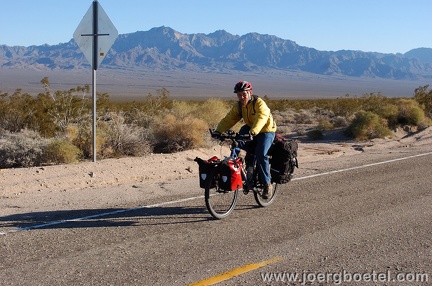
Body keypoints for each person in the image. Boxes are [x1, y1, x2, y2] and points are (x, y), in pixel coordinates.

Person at [213, 80, 277, 199]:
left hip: (266, 130)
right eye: (239, 94)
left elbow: (261, 118)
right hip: (250, 128)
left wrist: (253, 132)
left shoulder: (259, 103)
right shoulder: (239, 106)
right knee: (237, 145)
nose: (242, 97)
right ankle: (248, 171)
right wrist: (218, 131)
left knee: (261, 153)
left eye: (244, 94)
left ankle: (267, 184)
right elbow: (229, 119)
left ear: (250, 93)